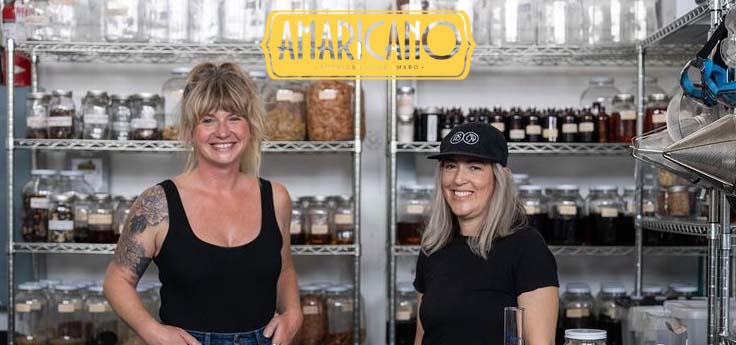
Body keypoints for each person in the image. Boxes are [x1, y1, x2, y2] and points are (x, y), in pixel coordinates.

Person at [103, 63, 302, 345]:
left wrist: (294, 313)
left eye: (234, 118)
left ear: (250, 126)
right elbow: (117, 279)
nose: (223, 132)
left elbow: (284, 269)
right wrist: (152, 330)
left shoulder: (275, 197)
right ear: (189, 131)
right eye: (208, 120)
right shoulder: (158, 204)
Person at [413, 123, 559, 345]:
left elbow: (540, 343)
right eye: (450, 166)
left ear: (499, 177)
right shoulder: (433, 246)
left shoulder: (527, 248)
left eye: (474, 167)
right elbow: (423, 337)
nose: (458, 179)